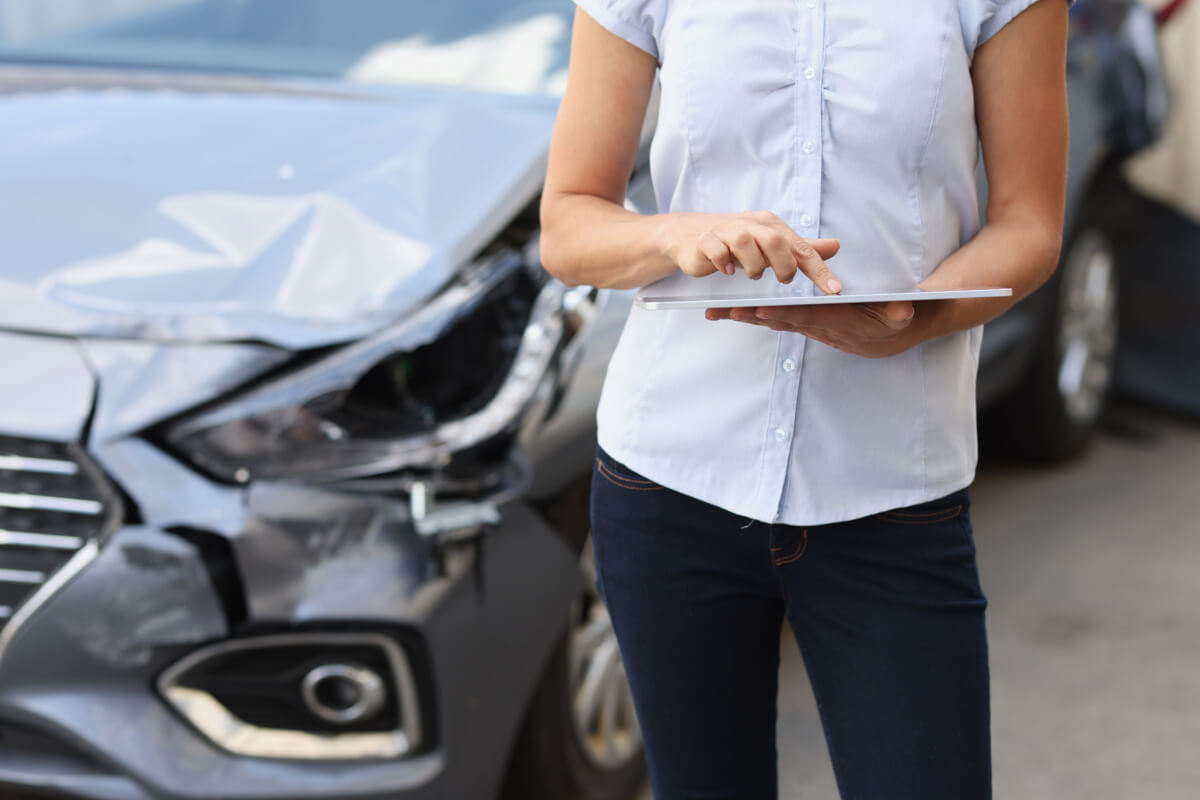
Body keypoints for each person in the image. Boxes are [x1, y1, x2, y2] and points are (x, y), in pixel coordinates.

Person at [539, 0, 1070, 797]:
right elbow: (568, 223)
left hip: (892, 494)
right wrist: (670, 235)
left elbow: (1029, 222)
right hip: (669, 484)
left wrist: (913, 319)